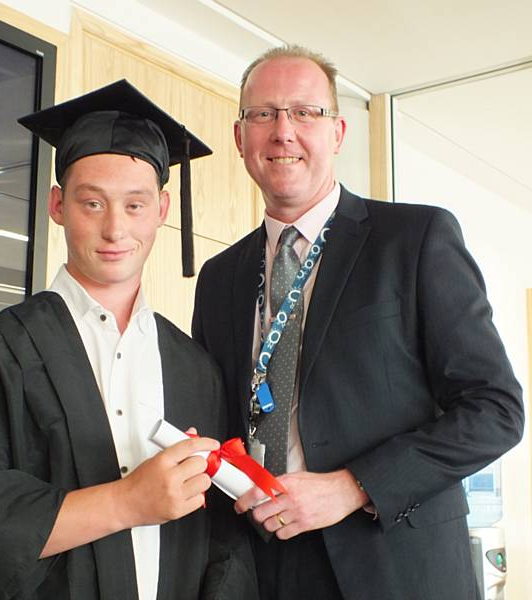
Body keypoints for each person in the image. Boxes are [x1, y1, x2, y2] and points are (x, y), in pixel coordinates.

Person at [0, 80, 257, 600]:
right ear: (58, 206)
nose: (114, 229)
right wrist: (127, 502)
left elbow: (223, 544)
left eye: (135, 205)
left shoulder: (195, 368)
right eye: (92, 203)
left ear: (162, 210)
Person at [192, 45, 524, 600]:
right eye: (263, 114)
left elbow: (496, 410)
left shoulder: (416, 240)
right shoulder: (219, 276)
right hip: (257, 567)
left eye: (305, 112)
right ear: (240, 137)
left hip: (393, 562)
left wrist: (352, 488)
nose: (283, 131)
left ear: (339, 133)